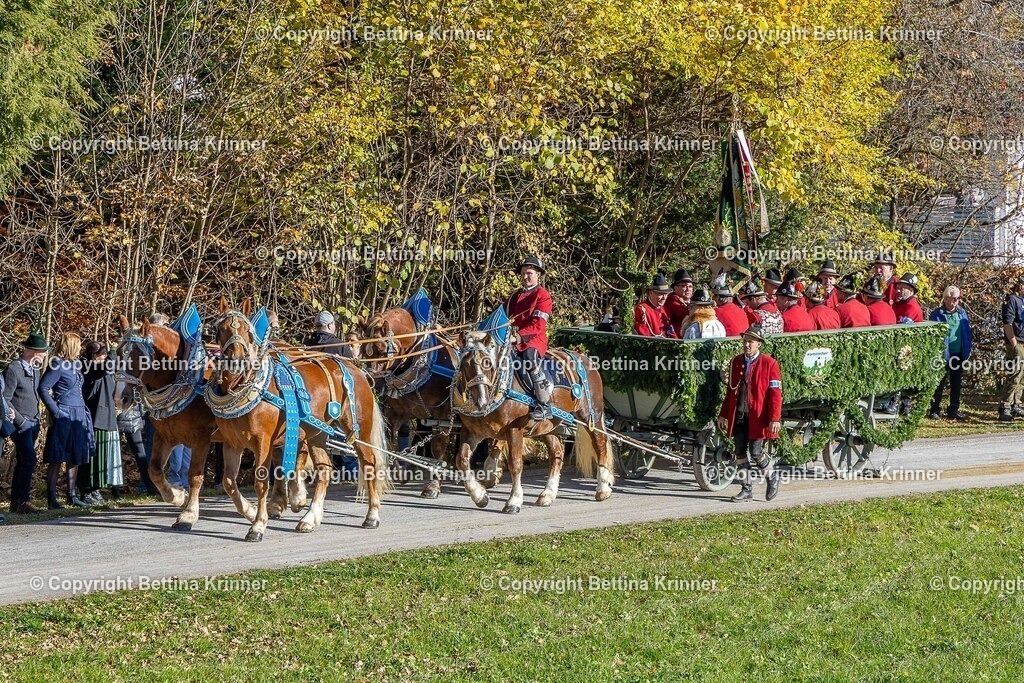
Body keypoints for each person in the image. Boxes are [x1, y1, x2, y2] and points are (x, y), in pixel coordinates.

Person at [717, 324, 783, 502]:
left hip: (758, 417)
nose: (747, 345)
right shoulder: (736, 362)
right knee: (739, 452)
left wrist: (774, 418)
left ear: (759, 344)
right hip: (739, 414)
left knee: (756, 452)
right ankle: (746, 489)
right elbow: (730, 392)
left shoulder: (770, 364)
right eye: (745, 341)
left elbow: (776, 394)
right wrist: (723, 414)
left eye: (751, 342)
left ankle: (772, 476)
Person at [39, 332, 94, 509]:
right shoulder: (57, 364)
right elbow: (43, 388)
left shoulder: (75, 365)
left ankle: (72, 495)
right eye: (78, 344)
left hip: (78, 414)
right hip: (64, 413)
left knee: (75, 457)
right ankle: (52, 499)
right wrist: (56, 411)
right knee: (57, 457)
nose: (80, 348)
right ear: (70, 345)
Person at [506, 255, 555, 420]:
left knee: (529, 358)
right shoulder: (515, 295)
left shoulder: (543, 295)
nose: (525, 276)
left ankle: (544, 404)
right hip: (511, 337)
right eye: (523, 273)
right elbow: (500, 315)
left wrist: (517, 338)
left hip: (533, 339)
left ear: (538, 274)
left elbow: (538, 325)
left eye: (529, 273)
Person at [3, 333, 47, 513]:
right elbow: (5, 399)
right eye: (43, 352)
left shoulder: (34, 369)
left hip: (34, 421)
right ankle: (23, 501)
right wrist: (20, 421)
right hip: (20, 424)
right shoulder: (13, 369)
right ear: (34, 352)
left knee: (23, 461)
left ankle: (16, 502)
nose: (45, 356)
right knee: (29, 459)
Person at [80, 342, 123, 504]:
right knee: (92, 458)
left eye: (105, 355)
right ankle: (88, 490)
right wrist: (113, 350)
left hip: (107, 417)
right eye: (100, 355)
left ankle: (97, 489)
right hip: (94, 417)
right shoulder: (88, 366)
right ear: (92, 356)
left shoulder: (105, 369)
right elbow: (108, 366)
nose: (104, 358)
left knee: (103, 458)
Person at [929, 286, 972, 421]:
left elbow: (967, 332)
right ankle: (934, 409)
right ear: (946, 298)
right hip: (942, 354)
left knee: (956, 383)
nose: (956, 301)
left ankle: (953, 409)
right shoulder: (937, 314)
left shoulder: (962, 313)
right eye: (953, 298)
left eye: (958, 298)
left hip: (958, 353)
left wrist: (967, 349)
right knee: (939, 383)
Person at [116, 383, 156, 495]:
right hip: (130, 416)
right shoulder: (130, 376)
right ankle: (148, 486)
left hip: (131, 416)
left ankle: (149, 486)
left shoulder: (132, 375)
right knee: (138, 452)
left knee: (139, 452)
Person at [998, 277, 1024, 422]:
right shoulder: (1012, 300)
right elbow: (1007, 322)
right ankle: (1005, 406)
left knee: (1022, 377)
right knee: (1014, 374)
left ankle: (1016, 404)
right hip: (1016, 342)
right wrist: (1013, 343)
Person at [633, 274, 677, 338]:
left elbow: (671, 332)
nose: (664, 298)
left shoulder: (666, 310)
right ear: (651, 293)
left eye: (666, 294)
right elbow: (643, 335)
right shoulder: (642, 309)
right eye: (661, 294)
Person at [665, 269, 693, 334]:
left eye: (690, 286)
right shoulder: (671, 300)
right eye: (683, 286)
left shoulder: (694, 300)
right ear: (675, 288)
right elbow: (682, 312)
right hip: (678, 339)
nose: (688, 289)